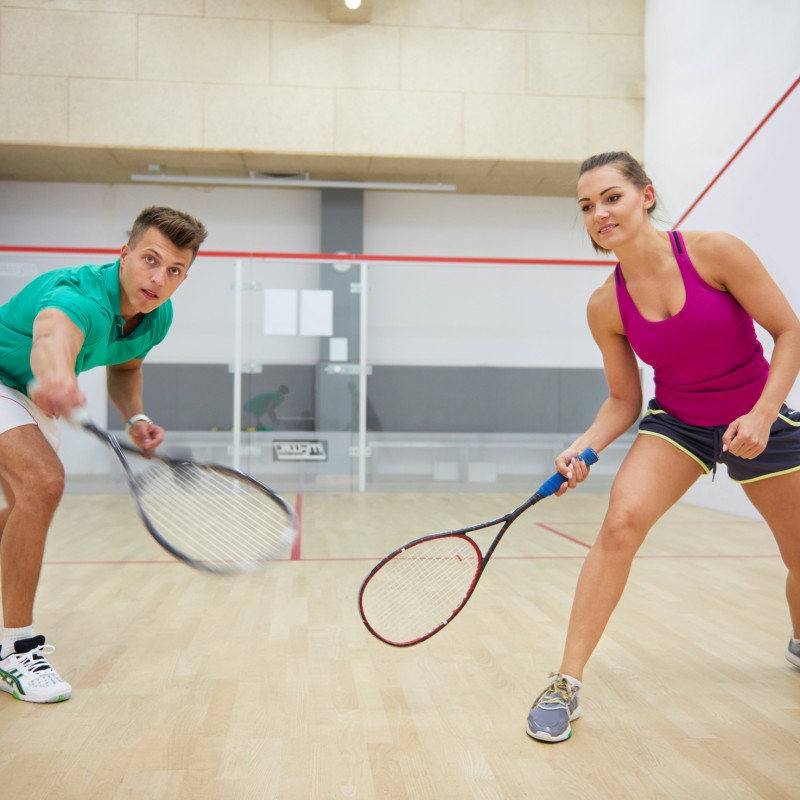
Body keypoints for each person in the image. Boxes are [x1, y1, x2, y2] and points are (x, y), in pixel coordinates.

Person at [526, 151, 800, 743]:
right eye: (587, 206)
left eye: (612, 197)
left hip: (759, 414)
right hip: (679, 422)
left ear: (645, 196)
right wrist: (583, 448)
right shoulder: (605, 304)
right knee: (619, 525)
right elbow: (623, 400)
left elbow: (789, 331)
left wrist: (761, 414)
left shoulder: (715, 252)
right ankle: (566, 682)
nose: (599, 213)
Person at [0, 205, 208, 703]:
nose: (158, 279)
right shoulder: (80, 296)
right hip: (13, 381)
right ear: (125, 253)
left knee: (19, 509)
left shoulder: (156, 316)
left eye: (175, 270)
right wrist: (57, 375)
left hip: (27, 397)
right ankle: (16, 649)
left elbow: (126, 368)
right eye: (151, 260)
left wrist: (135, 418)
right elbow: (53, 335)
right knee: (43, 483)